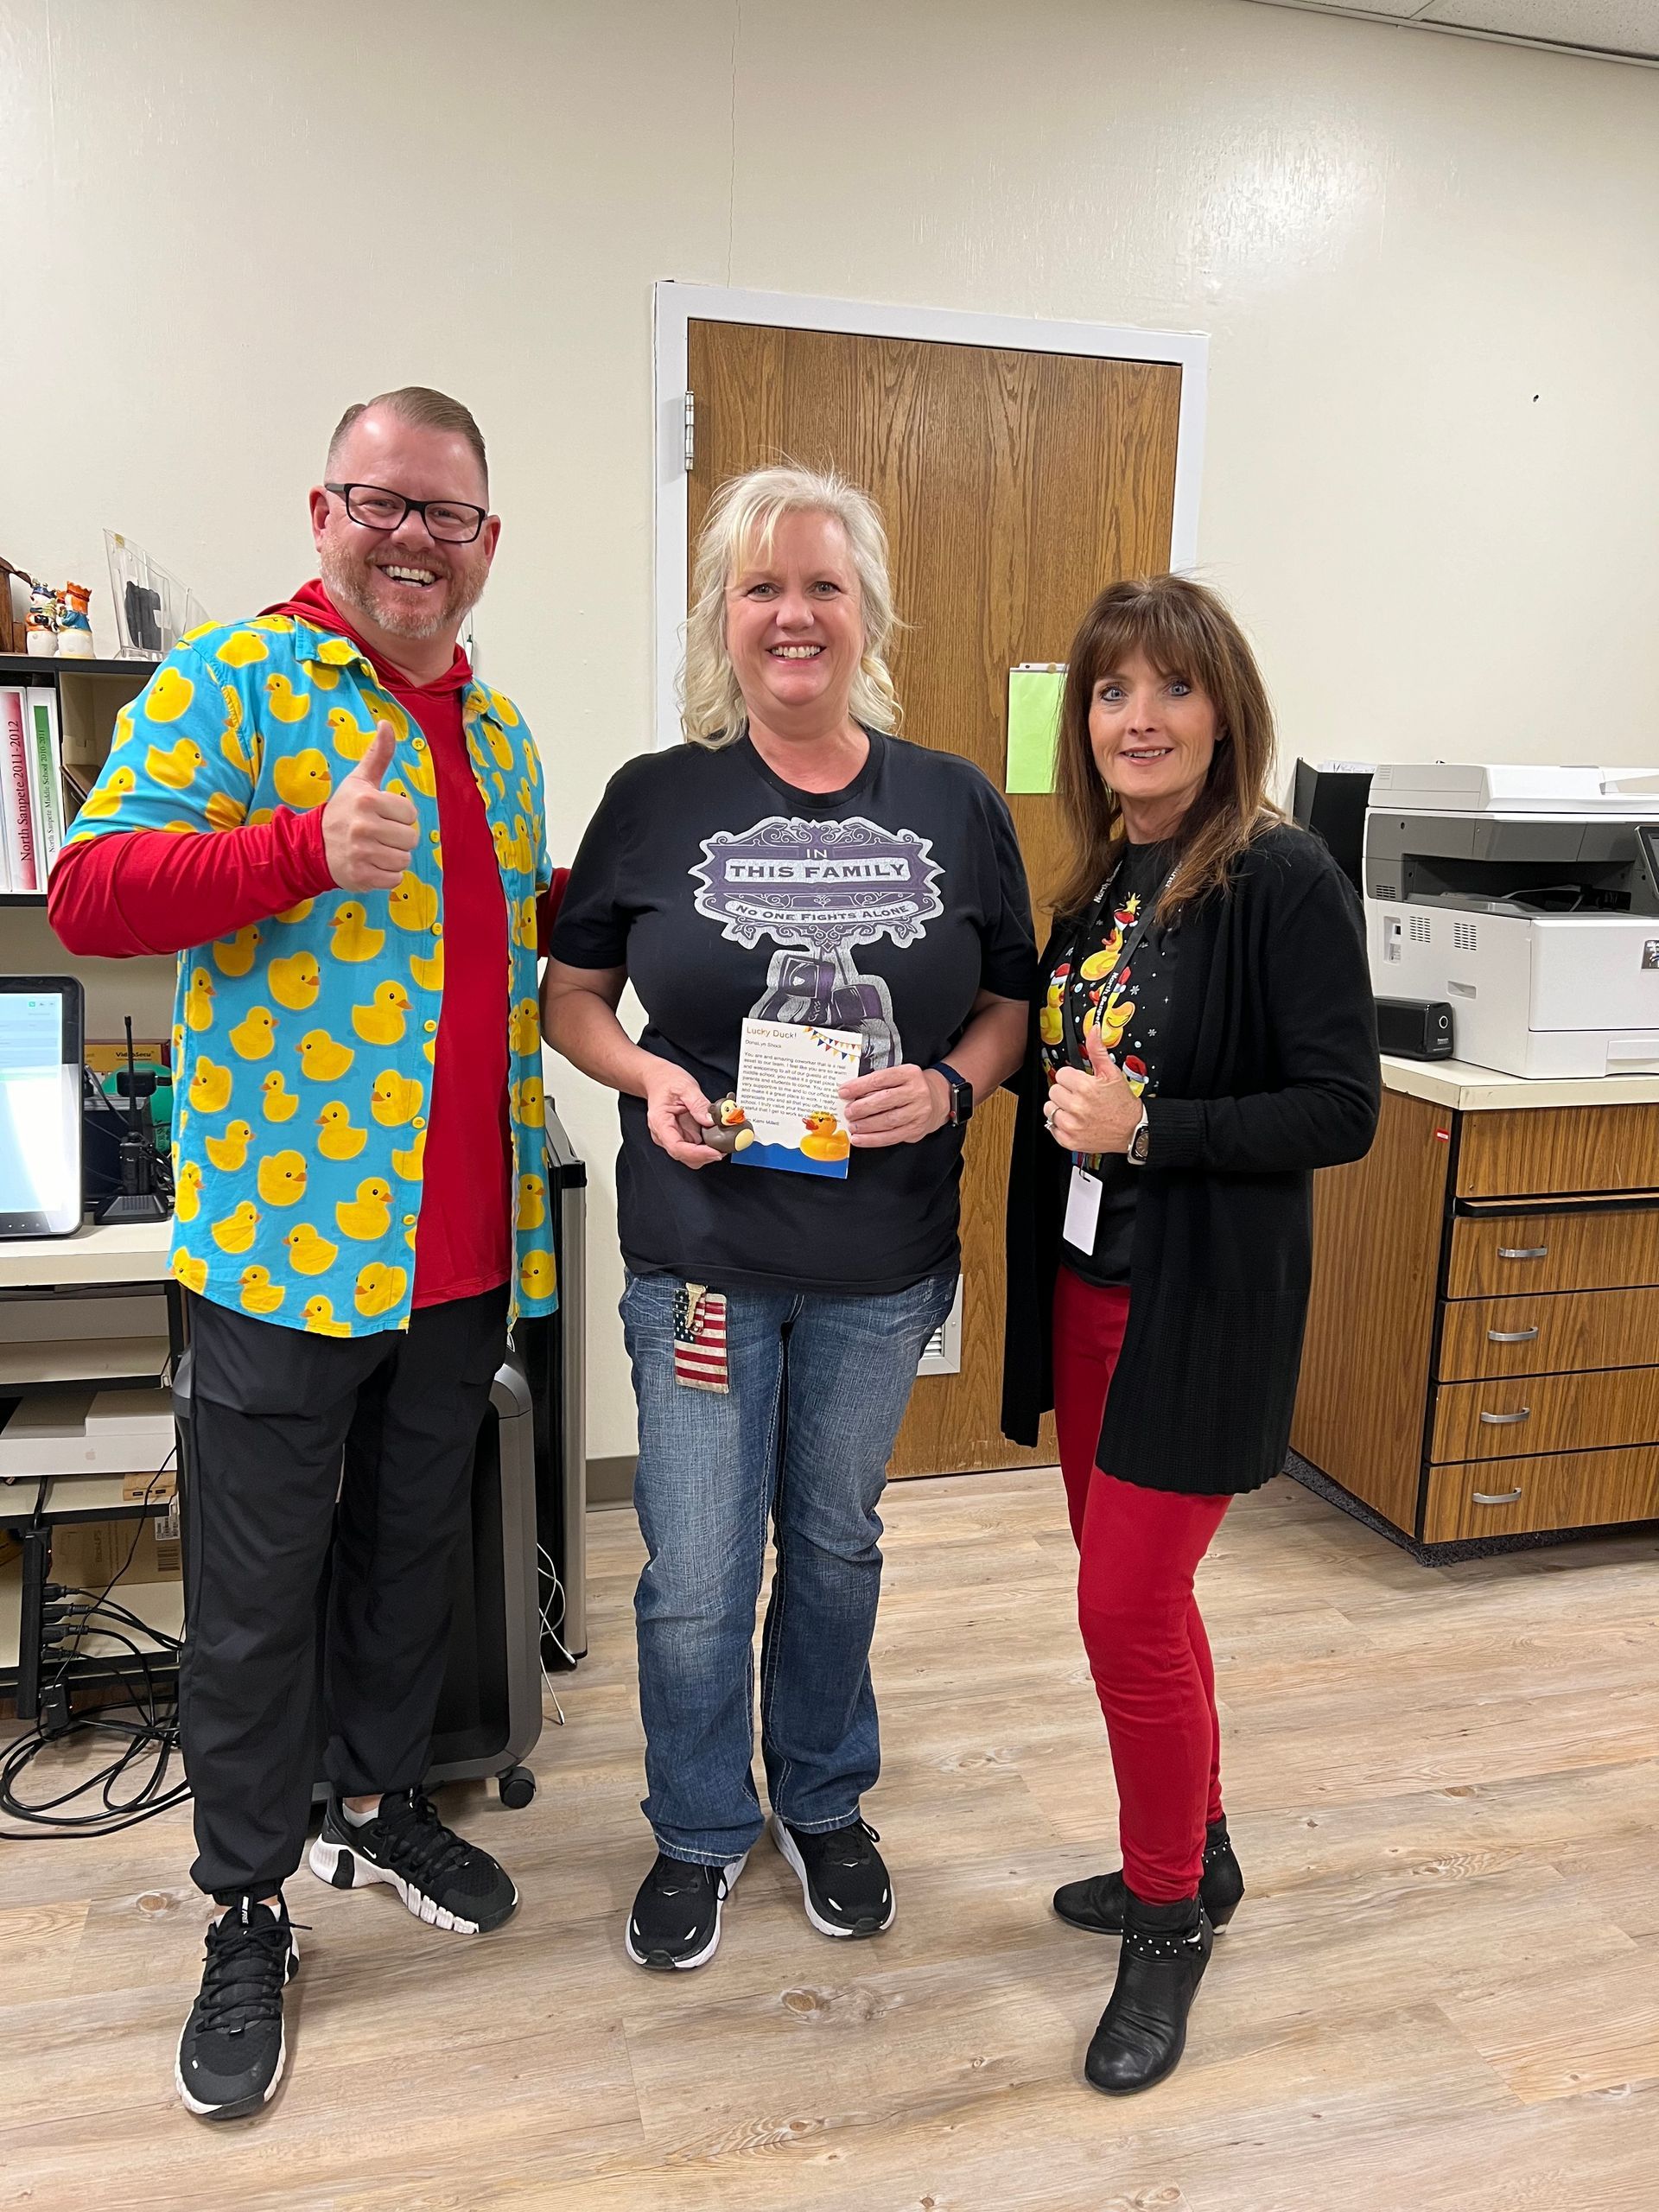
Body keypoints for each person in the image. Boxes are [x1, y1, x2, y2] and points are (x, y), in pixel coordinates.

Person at [48, 386, 556, 2122]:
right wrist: (292, 854)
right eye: (382, 502)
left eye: (447, 514)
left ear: (487, 545)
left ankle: (377, 1796)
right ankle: (247, 1904)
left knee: (417, 1549)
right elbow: (88, 888)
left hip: (459, 1254)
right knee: (258, 1604)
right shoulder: (236, 688)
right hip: (281, 1252)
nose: (413, 536)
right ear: (324, 510)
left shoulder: (504, 742)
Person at [543, 464, 1034, 1971]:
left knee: (832, 1543)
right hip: (703, 1261)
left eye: (823, 585)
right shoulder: (656, 796)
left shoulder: (952, 799)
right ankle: (699, 1826)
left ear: (865, 614)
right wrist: (646, 1080)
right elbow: (569, 998)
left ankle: (823, 1800)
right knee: (696, 1567)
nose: (794, 614)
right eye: (764, 587)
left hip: (879, 1266)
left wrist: (949, 1084)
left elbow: (1012, 998)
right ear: (725, 618)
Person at [1001, 575, 1379, 2094]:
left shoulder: (1277, 877)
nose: (1137, 719)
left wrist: (1154, 1126)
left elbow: (1341, 1105)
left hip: (1200, 1308)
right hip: (1094, 1302)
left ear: (1224, 709)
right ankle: (1199, 1851)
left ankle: (1165, 1925)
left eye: (1170, 689)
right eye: (1110, 693)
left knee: (1124, 1616)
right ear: (1081, 722)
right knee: (1142, 1607)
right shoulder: (1099, 887)